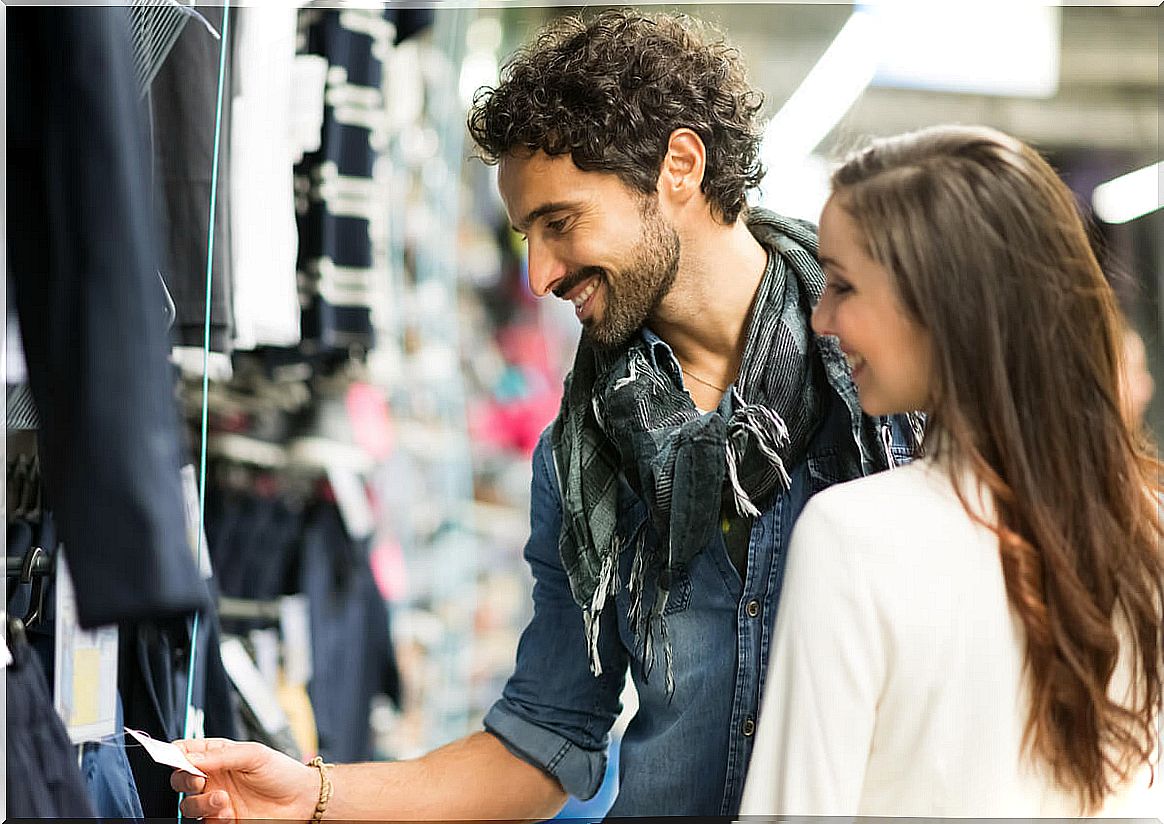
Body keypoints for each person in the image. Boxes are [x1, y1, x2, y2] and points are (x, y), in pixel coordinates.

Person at [170, 10, 919, 819]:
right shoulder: (583, 455)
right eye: (527, 234)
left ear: (680, 165)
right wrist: (313, 795)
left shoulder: (887, 383)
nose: (538, 276)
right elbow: (544, 739)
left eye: (560, 223)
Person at [740, 125, 1164, 817]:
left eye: (843, 286)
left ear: (944, 306)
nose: (820, 318)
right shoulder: (1149, 531)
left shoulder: (854, 537)